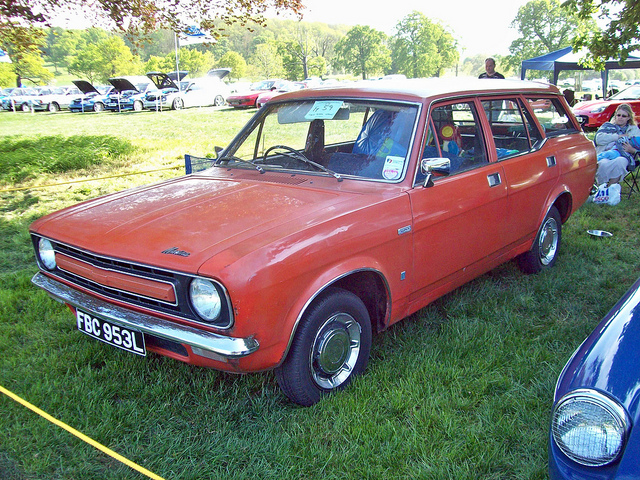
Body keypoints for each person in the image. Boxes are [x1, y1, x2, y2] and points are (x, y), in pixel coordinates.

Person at [594, 103, 640, 185]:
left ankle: (611, 187)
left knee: (620, 161)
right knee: (603, 163)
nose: (620, 118)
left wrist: (632, 150)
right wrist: (618, 136)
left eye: (624, 116)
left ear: (629, 117)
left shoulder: (633, 129)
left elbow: (637, 145)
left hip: (624, 155)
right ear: (615, 116)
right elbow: (599, 139)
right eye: (618, 115)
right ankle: (602, 187)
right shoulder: (607, 126)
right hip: (604, 153)